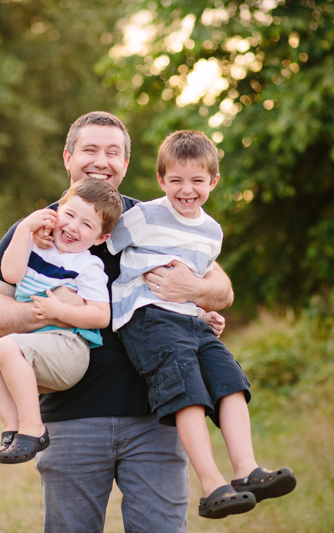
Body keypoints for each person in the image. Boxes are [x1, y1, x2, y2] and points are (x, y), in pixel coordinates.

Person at [0, 111, 233, 532]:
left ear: (126, 165)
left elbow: (221, 285)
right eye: (90, 149)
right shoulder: (37, 230)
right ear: (68, 157)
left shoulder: (151, 221)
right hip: (72, 419)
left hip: (156, 418)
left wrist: (194, 294)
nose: (101, 161)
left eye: (113, 153)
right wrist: (52, 305)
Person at [108, 130, 296, 519]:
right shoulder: (142, 216)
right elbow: (100, 238)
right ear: (161, 180)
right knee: (188, 390)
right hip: (148, 317)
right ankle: (212, 485)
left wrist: (202, 307)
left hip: (190, 320)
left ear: (213, 181)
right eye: (176, 180)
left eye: (197, 180)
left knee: (230, 382)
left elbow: (204, 279)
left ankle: (247, 470)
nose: (186, 189)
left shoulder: (212, 232)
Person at [0, 178, 123, 465]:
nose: (74, 227)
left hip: (68, 349)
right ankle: (13, 426)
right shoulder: (35, 245)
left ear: (101, 238)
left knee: (4, 347)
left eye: (87, 225)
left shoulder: (88, 266)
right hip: (36, 345)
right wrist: (25, 228)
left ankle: (34, 429)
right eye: (69, 215)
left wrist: (59, 311)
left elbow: (101, 316)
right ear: (56, 210)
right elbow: (12, 275)